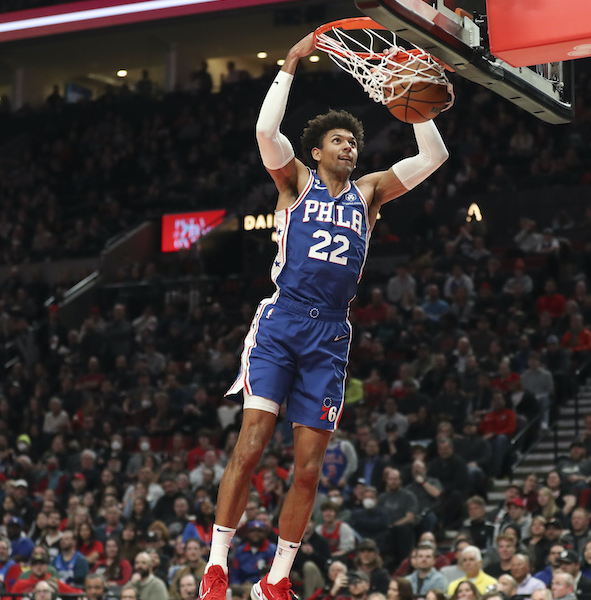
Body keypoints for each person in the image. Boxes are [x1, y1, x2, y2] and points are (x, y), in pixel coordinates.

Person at [201, 30, 449, 600]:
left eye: (354, 142)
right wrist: (289, 64)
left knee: (310, 468)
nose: (349, 148)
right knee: (251, 444)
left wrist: (415, 103)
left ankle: (276, 580)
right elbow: (266, 133)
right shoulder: (295, 182)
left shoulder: (371, 193)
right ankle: (216, 568)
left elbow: (433, 157)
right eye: (338, 140)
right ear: (315, 151)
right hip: (281, 322)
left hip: (331, 332)